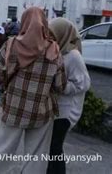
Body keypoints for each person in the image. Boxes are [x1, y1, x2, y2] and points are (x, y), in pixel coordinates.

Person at [0, 7, 66, 174]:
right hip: (41, 111)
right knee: (36, 156)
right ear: (44, 23)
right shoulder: (54, 50)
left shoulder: (10, 45)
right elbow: (60, 85)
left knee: (1, 151)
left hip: (13, 108)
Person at [47, 18, 91, 174]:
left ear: (62, 34)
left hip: (67, 110)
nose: (49, 37)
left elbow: (84, 83)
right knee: (51, 148)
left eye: (52, 34)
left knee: (55, 147)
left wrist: (61, 87)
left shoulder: (73, 56)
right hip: (56, 107)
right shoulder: (57, 50)